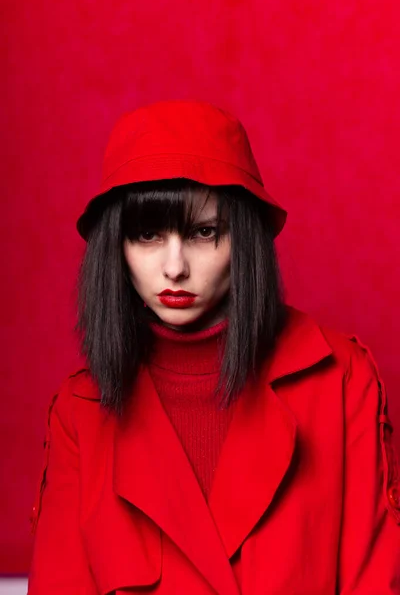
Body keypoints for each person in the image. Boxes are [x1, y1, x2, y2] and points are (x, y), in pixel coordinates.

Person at [28, 100, 400, 594]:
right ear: (114, 248)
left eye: (204, 232)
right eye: (147, 235)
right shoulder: (80, 414)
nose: (175, 267)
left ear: (243, 240)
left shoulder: (340, 381)